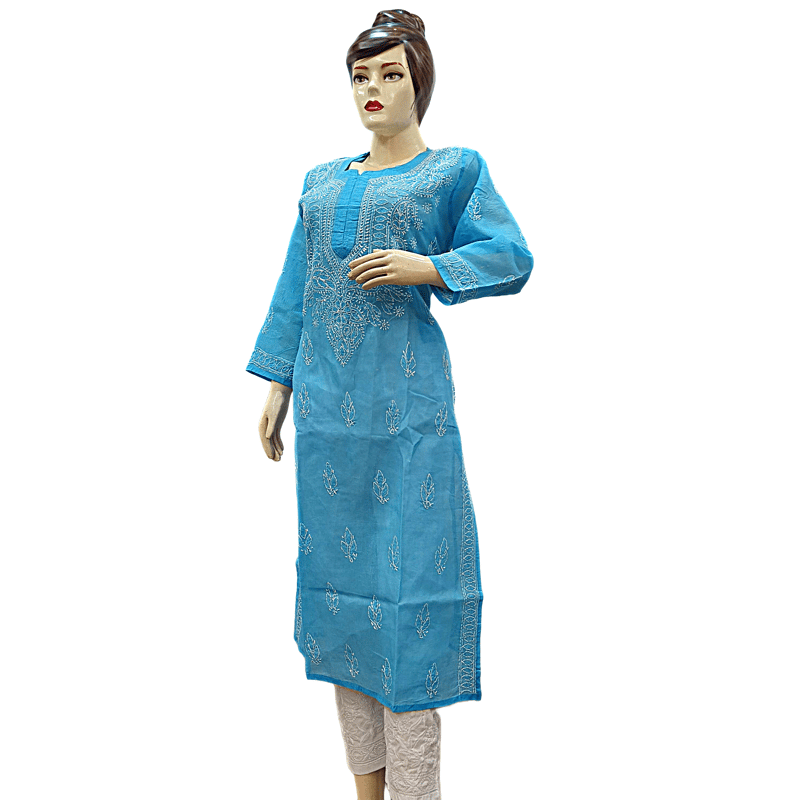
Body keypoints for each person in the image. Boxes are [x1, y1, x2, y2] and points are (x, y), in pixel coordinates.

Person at [246, 10, 533, 799]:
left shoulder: (453, 170)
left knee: (410, 622)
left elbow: (511, 255)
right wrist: (278, 384)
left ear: (419, 83)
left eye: (390, 73)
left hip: (409, 423)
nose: (372, 88)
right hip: (328, 427)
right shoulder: (321, 182)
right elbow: (297, 287)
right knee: (344, 621)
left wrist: (427, 265)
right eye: (360, 76)